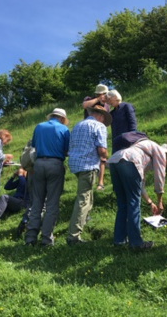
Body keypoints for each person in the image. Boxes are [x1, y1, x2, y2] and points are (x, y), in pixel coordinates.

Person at [108, 137, 167, 249]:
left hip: (115, 160)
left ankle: (119, 240)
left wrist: (149, 202)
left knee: (122, 203)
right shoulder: (160, 152)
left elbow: (140, 184)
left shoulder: (144, 153)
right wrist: (159, 202)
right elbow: (159, 178)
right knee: (133, 204)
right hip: (129, 161)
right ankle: (136, 243)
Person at [24, 108, 70, 247]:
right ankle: (46, 239)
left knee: (37, 202)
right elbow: (67, 150)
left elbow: (34, 146)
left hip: (38, 164)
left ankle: (30, 238)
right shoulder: (64, 129)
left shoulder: (39, 127)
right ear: (62, 118)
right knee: (52, 203)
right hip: (55, 164)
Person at [66, 105, 111, 245]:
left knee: (87, 197)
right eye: (104, 118)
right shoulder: (99, 126)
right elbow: (102, 150)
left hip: (75, 164)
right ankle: (73, 236)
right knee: (83, 200)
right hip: (88, 165)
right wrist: (107, 157)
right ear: (101, 116)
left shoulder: (78, 125)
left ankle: (83, 221)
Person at [82, 84, 110, 191]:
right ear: (99, 94)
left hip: (100, 130)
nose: (106, 97)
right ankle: (87, 182)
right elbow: (84, 105)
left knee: (102, 155)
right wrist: (97, 99)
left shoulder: (106, 105)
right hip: (88, 131)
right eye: (104, 95)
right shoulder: (89, 99)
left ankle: (100, 183)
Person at [106, 89, 137, 154]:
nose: (108, 102)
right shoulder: (112, 113)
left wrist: (132, 138)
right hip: (116, 142)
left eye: (109, 99)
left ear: (114, 97)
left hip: (127, 140)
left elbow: (132, 122)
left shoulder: (126, 106)